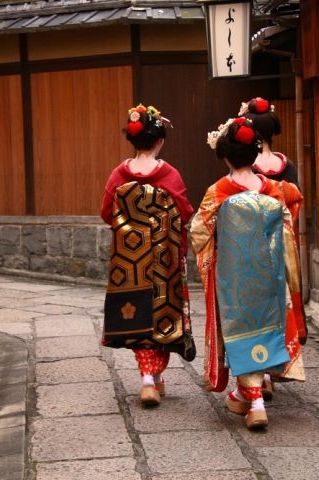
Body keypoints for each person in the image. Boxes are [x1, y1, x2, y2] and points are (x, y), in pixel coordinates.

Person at [190, 116, 305, 430]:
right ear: (255, 155)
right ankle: (254, 391)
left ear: (225, 157)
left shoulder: (219, 191)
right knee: (267, 327)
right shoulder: (274, 190)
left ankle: (253, 401)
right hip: (270, 278)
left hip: (234, 279)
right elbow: (287, 230)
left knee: (241, 332)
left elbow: (199, 232)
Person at [100, 104, 195, 408]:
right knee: (162, 315)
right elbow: (184, 212)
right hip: (163, 259)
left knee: (136, 315)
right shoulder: (170, 175)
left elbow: (106, 214)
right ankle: (152, 377)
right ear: (159, 140)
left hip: (130, 262)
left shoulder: (119, 174)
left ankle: (147, 377)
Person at [241, 97, 308, 401]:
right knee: (281, 305)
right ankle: (275, 366)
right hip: (281, 244)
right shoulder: (286, 165)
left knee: (257, 309)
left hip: (251, 244)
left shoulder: (247, 169)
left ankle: (261, 373)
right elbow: (293, 203)